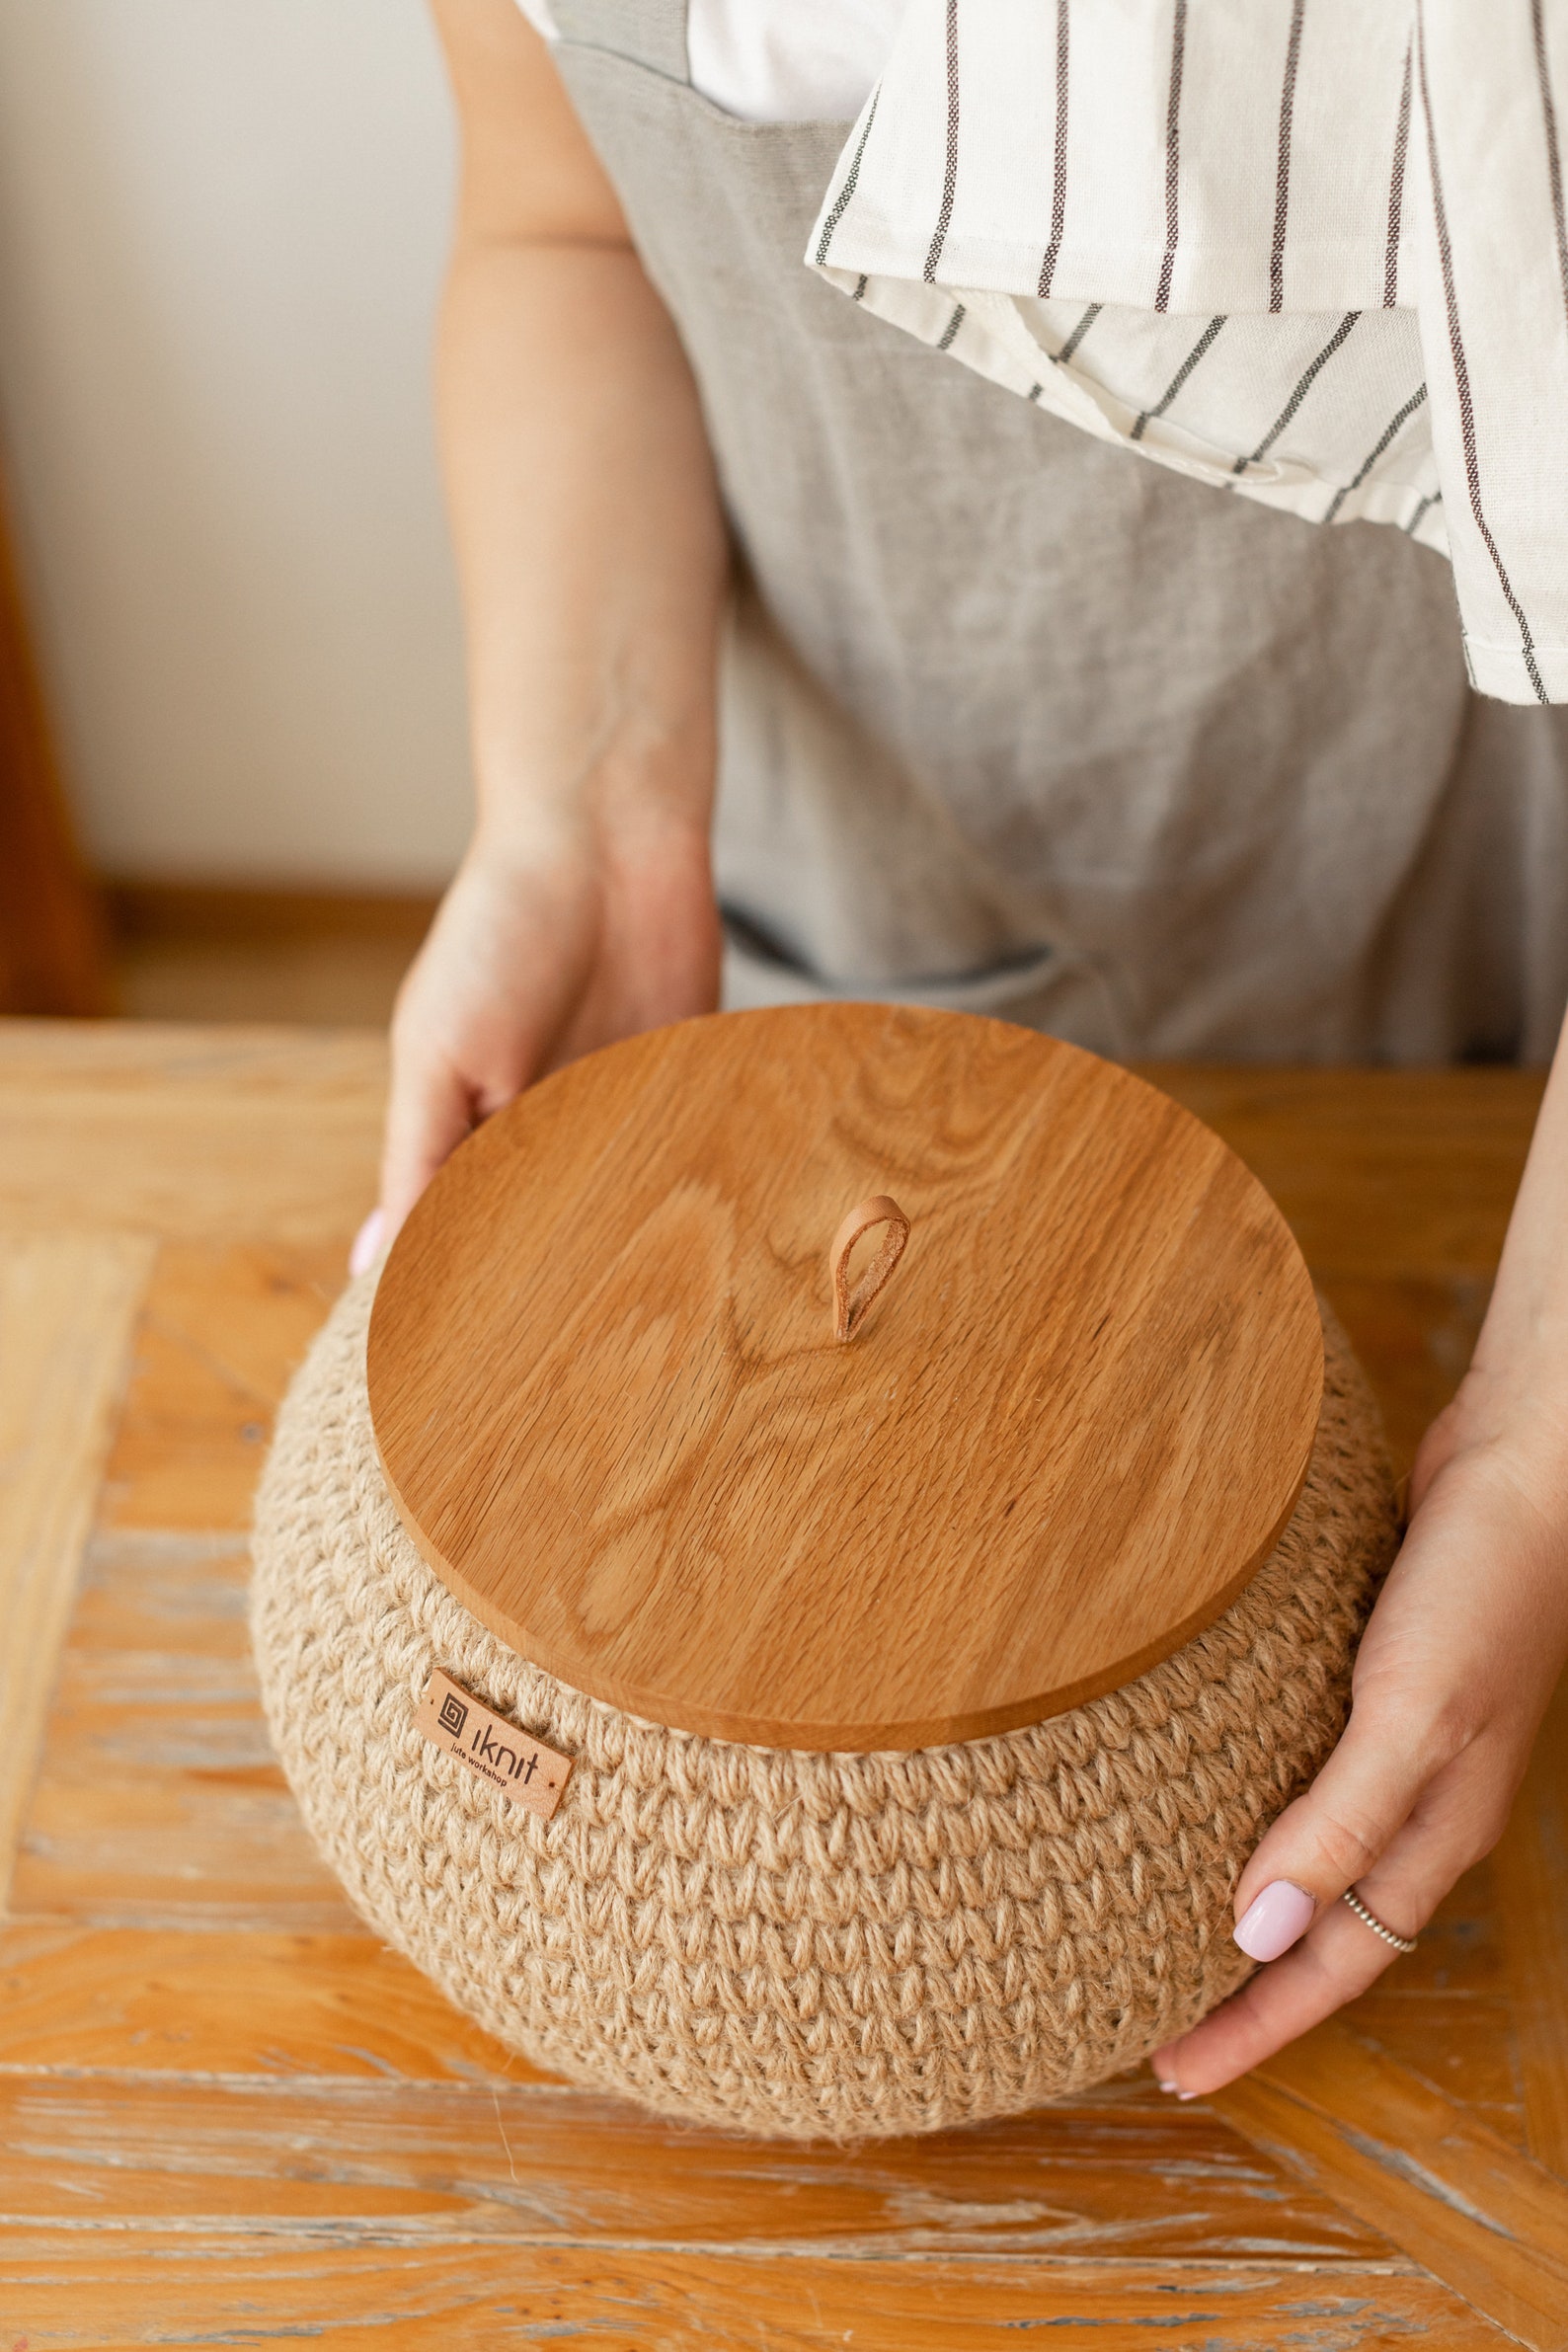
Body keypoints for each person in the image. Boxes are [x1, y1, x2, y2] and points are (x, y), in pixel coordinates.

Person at [356, 0, 1568, 2098]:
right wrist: (588, 806)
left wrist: (1541, 1439)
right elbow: (556, 228)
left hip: (1482, 997)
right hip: (813, 951)